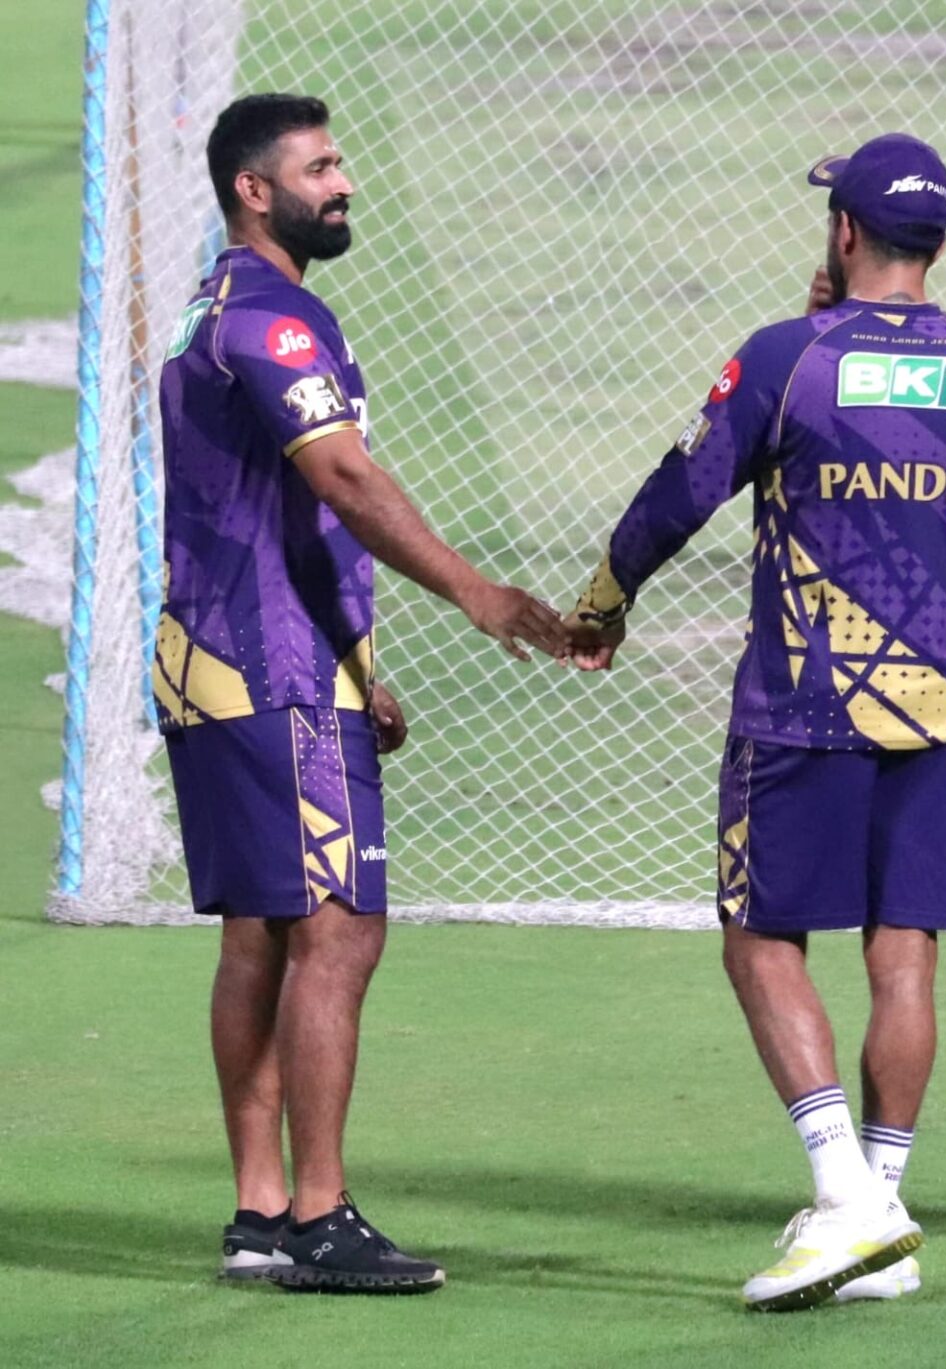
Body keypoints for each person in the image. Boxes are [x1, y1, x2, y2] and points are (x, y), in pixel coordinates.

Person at [565, 134, 946, 1309]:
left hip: (807, 699)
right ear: (942, 240)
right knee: (902, 947)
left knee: (759, 937)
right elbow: (887, 416)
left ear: (845, 232)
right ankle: (886, 1201)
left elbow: (682, 489)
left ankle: (845, 1197)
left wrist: (601, 606)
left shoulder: (786, 355)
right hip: (937, 703)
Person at [157, 93, 566, 1291]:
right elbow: (338, 476)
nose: (342, 183)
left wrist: (363, 662)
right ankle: (322, 1218)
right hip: (273, 672)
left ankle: (259, 1212)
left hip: (232, 659)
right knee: (339, 930)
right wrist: (474, 593)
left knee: (265, 934)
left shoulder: (213, 310)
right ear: (254, 188)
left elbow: (268, 510)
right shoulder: (276, 323)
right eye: (320, 167)